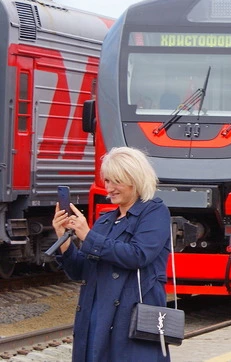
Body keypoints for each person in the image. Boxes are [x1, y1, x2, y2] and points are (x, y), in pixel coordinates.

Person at [53, 146, 171, 361]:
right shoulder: (106, 220)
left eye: (117, 181)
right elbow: (81, 271)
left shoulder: (154, 211)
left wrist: (88, 236)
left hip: (131, 317)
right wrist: (64, 239)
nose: (109, 188)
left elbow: (138, 255)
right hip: (96, 315)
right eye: (107, 181)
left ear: (135, 180)